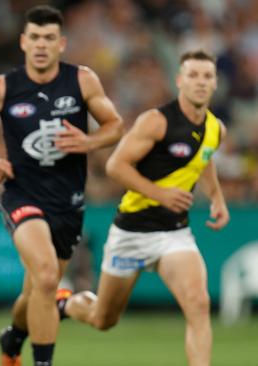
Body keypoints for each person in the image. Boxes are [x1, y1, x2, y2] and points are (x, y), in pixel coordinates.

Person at [0, 5, 123, 365]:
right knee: (44, 275)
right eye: (36, 38)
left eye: (49, 38)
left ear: (61, 44)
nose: (42, 45)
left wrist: (89, 142)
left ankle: (14, 337)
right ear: (24, 42)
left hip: (67, 203)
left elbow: (114, 125)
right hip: (21, 195)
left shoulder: (82, 80)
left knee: (37, 288)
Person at [62, 49, 229, 366]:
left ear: (215, 83)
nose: (200, 82)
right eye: (193, 75)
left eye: (207, 76)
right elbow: (116, 166)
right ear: (180, 81)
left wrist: (217, 197)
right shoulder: (156, 121)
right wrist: (160, 194)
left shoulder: (215, 129)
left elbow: (203, 159)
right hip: (132, 233)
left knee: (198, 303)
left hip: (174, 234)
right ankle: (66, 305)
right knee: (103, 318)